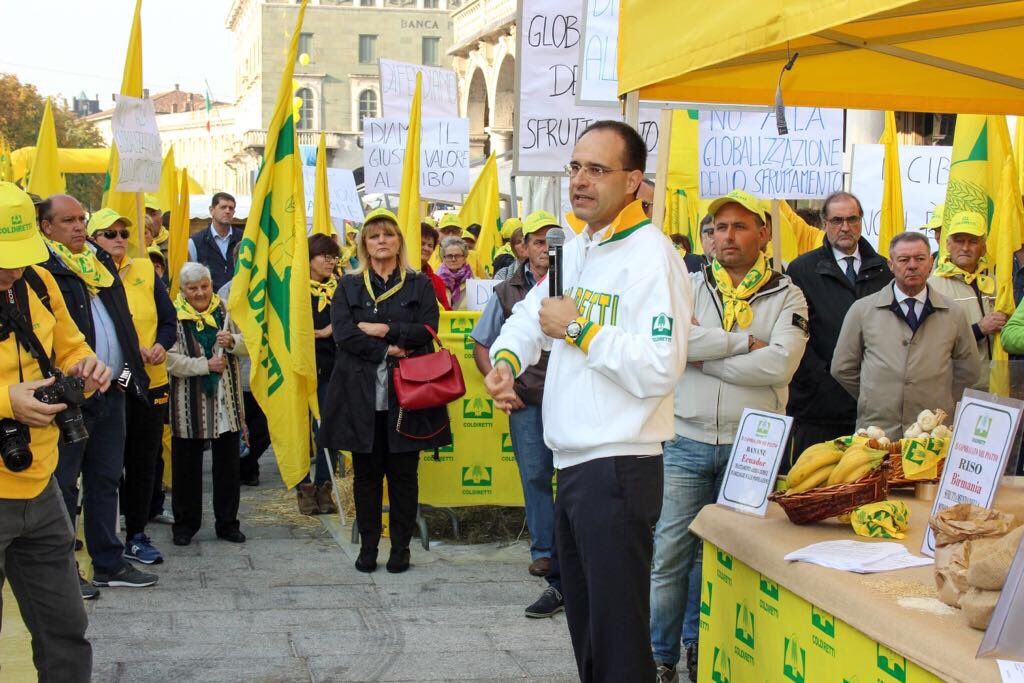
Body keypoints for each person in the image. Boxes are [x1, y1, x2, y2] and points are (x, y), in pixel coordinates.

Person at [484, 120, 691, 682]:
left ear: (633, 182)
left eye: (597, 169)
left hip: (619, 467)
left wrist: (581, 331)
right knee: (589, 635)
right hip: (574, 466)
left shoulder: (652, 256)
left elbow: (659, 366)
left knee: (620, 642)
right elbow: (532, 315)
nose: (580, 180)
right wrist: (505, 361)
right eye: (575, 166)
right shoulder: (578, 246)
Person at [650, 190, 808, 683]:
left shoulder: (787, 294)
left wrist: (703, 356)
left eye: (739, 226)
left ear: (763, 233)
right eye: (718, 227)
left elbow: (780, 363)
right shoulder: (687, 285)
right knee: (670, 554)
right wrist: (743, 344)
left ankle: (707, 647)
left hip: (752, 448)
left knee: (729, 558)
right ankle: (660, 657)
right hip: (685, 440)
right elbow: (671, 343)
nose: (727, 236)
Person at [0, 182, 112, 681]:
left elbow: (70, 346)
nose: (14, 269)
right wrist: (7, 401)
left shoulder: (39, 283)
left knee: (65, 627)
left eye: (20, 256)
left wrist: (86, 366)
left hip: (40, 484)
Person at [318, 208, 452, 574]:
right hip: (360, 396)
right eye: (374, 236)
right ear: (364, 243)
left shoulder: (418, 283)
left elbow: (426, 329)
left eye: (388, 235)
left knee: (404, 476)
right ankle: (369, 548)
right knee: (366, 476)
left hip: (406, 396)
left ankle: (401, 549)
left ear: (399, 242)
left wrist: (382, 330)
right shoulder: (348, 285)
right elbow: (344, 333)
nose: (381, 241)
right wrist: (388, 348)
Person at [38, 194, 156, 595]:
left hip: (113, 388)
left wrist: (129, 373)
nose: (78, 227)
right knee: (65, 483)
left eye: (81, 219)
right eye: (68, 221)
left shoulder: (98, 261)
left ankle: (109, 562)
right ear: (45, 227)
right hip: (70, 395)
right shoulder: (43, 269)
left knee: (107, 478)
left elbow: (120, 323)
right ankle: (64, 569)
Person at [472, 210, 564, 618]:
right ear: (522, 248)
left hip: (568, 399)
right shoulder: (505, 290)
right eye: (538, 241)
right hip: (527, 402)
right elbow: (482, 343)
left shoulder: (573, 279)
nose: (545, 249)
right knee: (535, 475)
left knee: (577, 478)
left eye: (551, 241)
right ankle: (544, 552)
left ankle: (571, 555)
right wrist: (502, 378)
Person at [89, 209, 176, 566]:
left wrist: (161, 344)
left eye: (124, 233)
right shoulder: (87, 274)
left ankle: (137, 533)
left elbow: (169, 319)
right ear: (93, 239)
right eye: (109, 233)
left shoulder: (144, 269)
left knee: (144, 461)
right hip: (112, 383)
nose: (120, 239)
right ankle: (103, 537)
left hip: (149, 382)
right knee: (107, 466)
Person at [832, 232, 980, 439]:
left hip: (931, 435)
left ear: (930, 263)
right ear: (891, 264)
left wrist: (939, 398)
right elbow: (842, 367)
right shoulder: (862, 310)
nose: (912, 265)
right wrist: (874, 395)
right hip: (877, 433)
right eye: (903, 259)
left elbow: (968, 371)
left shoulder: (953, 313)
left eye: (920, 259)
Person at [785, 191, 893, 459]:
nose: (845, 227)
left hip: (871, 408)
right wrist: (821, 382)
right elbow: (796, 334)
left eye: (852, 219)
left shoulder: (884, 271)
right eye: (837, 220)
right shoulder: (802, 270)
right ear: (824, 223)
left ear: (861, 221)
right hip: (818, 409)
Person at [166, 263, 247, 545]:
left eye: (204, 286)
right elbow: (170, 359)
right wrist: (205, 365)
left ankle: (228, 523)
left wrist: (233, 340)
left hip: (227, 403)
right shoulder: (172, 314)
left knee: (228, 468)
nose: (200, 293)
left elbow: (251, 343)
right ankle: (185, 525)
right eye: (193, 288)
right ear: (182, 290)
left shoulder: (227, 310)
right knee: (186, 468)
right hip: (189, 405)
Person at [928, 211, 1005, 389]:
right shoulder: (933, 287)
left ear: (984, 248)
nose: (965, 247)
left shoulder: (997, 283)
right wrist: (979, 329)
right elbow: (931, 342)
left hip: (997, 387)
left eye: (972, 241)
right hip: (957, 389)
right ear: (947, 245)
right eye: (959, 240)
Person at [296, 234, 341, 516]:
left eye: (333, 256)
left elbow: (354, 318)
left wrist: (332, 328)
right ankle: (304, 488)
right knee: (298, 430)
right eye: (323, 255)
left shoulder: (342, 287)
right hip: (300, 368)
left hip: (331, 368)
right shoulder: (295, 290)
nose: (329, 261)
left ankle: (325, 486)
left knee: (328, 429)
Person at [187, 192, 242, 291]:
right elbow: (191, 278)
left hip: (239, 300)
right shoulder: (195, 242)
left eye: (231, 208)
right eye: (223, 207)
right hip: (209, 303)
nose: (227, 211)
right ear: (211, 210)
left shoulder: (243, 238)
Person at [437, 236, 474, 310]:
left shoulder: (475, 283)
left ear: (464, 258)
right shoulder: (434, 282)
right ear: (443, 258)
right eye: (449, 256)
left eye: (457, 256)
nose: (453, 259)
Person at [420, 221, 450, 310]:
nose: (426, 248)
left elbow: (446, 311)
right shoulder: (397, 275)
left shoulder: (437, 281)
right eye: (422, 244)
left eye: (430, 245)